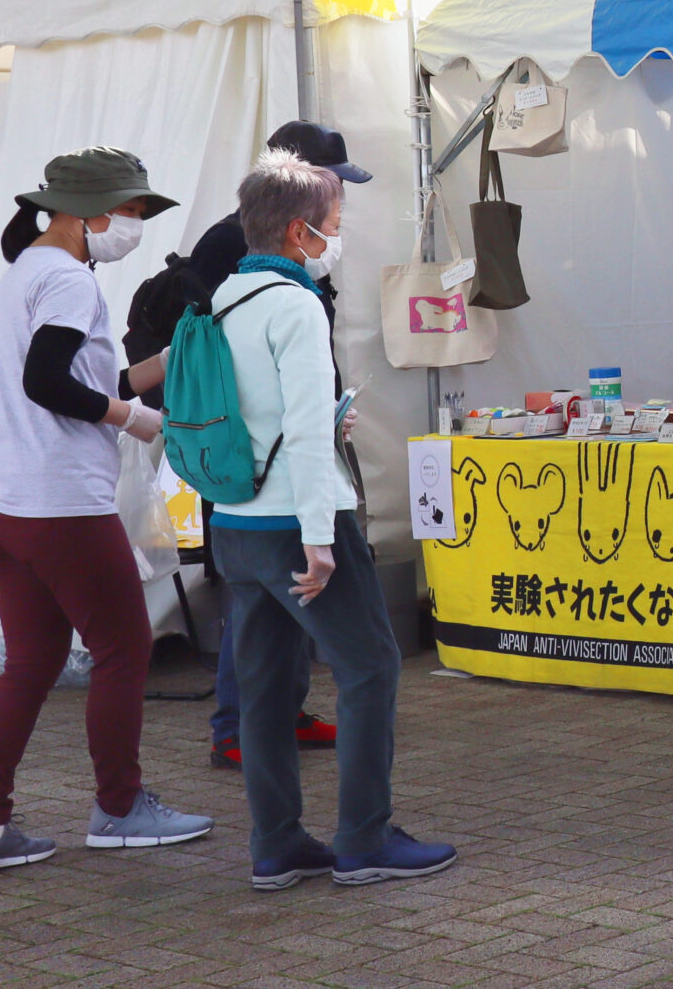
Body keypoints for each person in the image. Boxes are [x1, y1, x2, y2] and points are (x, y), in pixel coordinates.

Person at [205, 150, 453, 890]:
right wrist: (319, 539)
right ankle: (364, 838)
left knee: (263, 689)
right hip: (298, 518)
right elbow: (310, 429)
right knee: (370, 667)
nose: (336, 238)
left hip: (236, 522)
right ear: (297, 231)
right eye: (333, 224)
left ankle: (276, 844)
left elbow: (249, 413)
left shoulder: (224, 296)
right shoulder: (295, 304)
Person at [0, 148, 215, 871]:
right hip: (61, 502)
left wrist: (164, 363)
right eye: (129, 211)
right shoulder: (69, 280)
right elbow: (48, 382)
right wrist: (132, 419)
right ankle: (119, 807)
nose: (135, 225)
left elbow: (86, 376)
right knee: (124, 648)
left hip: (3, 498)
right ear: (84, 214)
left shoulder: (29, 271)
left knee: (31, 663)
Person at [145, 121, 368, 769]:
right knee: (335, 647)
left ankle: (274, 728)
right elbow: (236, 366)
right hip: (258, 470)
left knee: (274, 616)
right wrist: (320, 522)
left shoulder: (272, 261)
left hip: (273, 465)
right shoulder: (238, 250)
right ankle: (239, 728)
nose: (338, 203)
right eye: (330, 187)